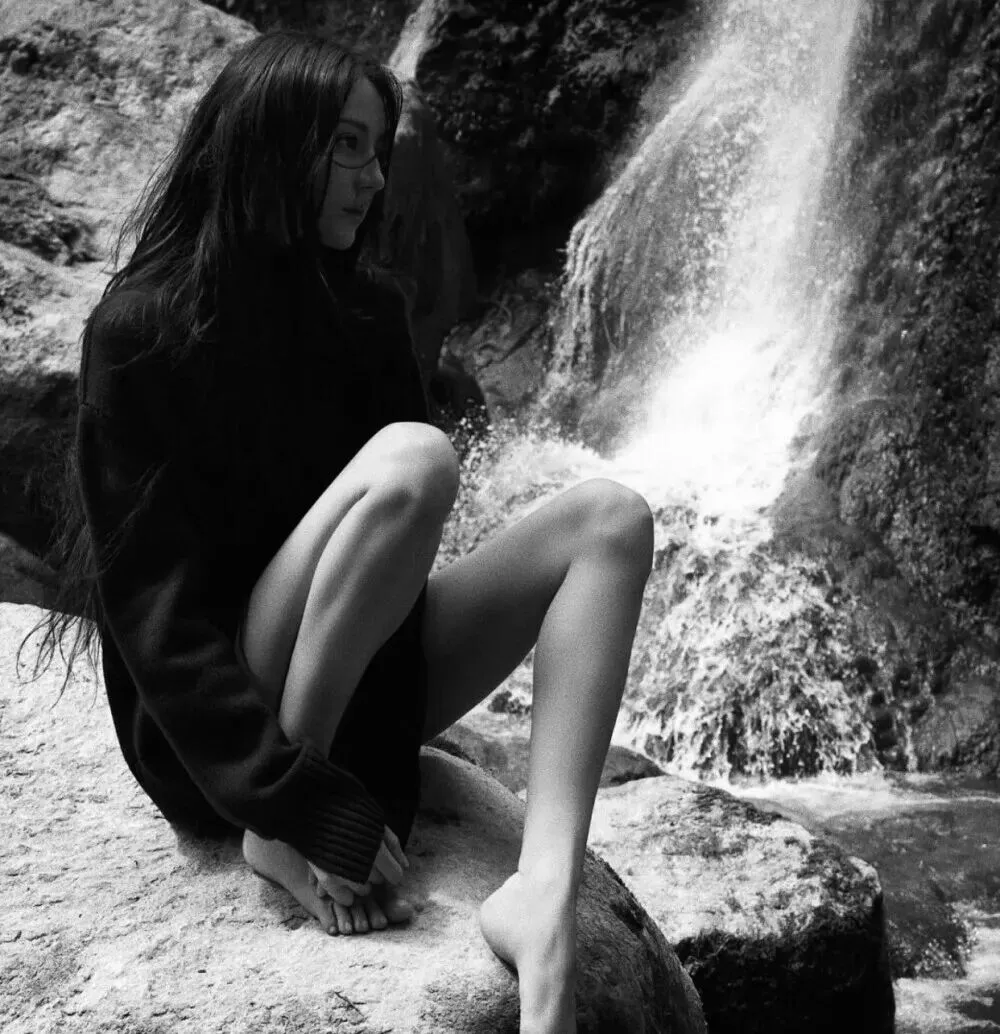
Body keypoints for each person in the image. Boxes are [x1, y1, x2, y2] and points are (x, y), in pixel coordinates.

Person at [19, 30, 654, 1034]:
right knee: (416, 461)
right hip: (220, 736)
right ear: (274, 145)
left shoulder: (368, 310)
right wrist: (299, 800)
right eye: (348, 147)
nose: (374, 178)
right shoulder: (140, 328)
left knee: (612, 521)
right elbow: (153, 615)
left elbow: (384, 583)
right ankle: (283, 815)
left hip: (351, 681)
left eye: (376, 149)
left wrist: (379, 789)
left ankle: (542, 889)